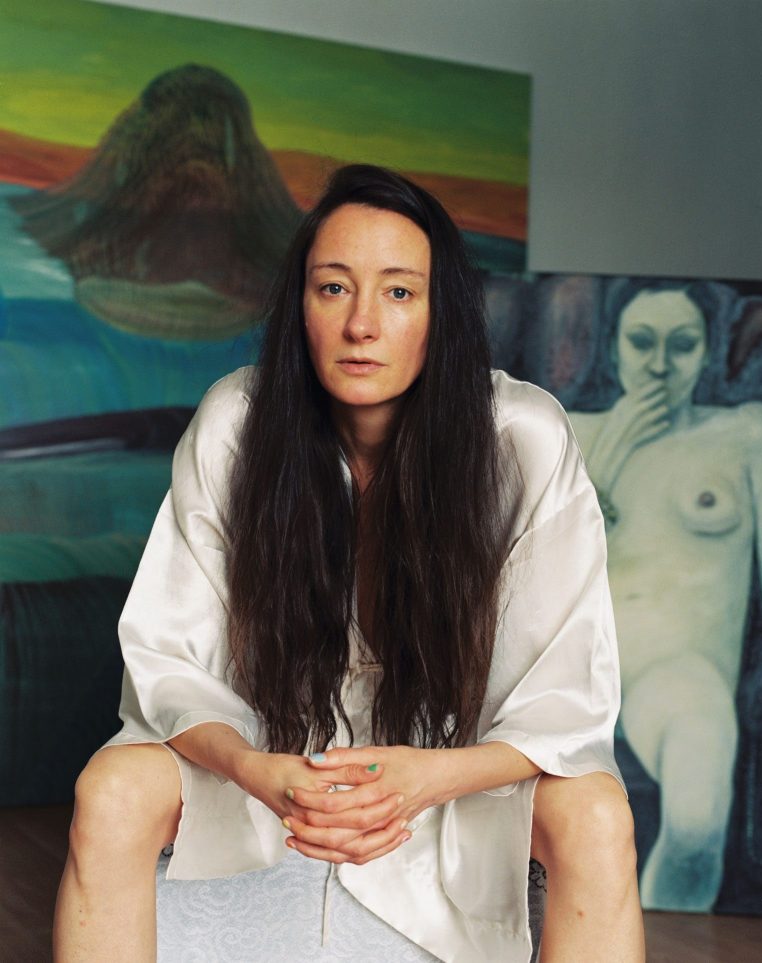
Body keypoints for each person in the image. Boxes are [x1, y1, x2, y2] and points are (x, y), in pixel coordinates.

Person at [53, 165, 643, 962]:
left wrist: (428, 776)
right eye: (333, 288)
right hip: (271, 759)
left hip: (452, 773)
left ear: (442, 312)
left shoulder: (522, 438)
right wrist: (258, 769)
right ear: (301, 305)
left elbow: (565, 694)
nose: (362, 323)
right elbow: (168, 660)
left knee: (596, 812)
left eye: (399, 292)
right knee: (111, 788)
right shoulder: (237, 421)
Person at [567, 281, 762, 911]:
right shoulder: (571, 431)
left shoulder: (744, 435)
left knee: (698, 822)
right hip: (564, 669)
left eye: (681, 345)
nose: (659, 365)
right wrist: (606, 462)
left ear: (707, 351)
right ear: (614, 349)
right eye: (641, 342)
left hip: (677, 673)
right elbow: (515, 573)